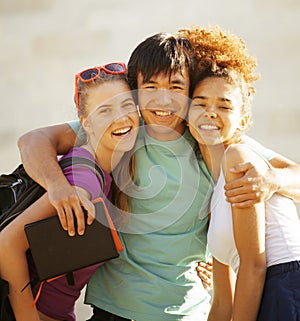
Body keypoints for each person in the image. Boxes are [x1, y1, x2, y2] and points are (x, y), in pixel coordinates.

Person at [17, 32, 300, 321]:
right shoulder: (122, 128)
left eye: (176, 87)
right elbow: (34, 140)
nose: (163, 100)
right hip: (112, 310)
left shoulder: (210, 138)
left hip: (186, 312)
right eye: (150, 87)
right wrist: (56, 186)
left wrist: (272, 181)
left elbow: (295, 174)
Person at [0, 62, 140, 321]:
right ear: (85, 123)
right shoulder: (85, 173)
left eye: (126, 105)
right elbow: (7, 244)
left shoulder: (112, 169)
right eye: (105, 110)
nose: (120, 117)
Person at [186, 25, 300, 321]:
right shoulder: (212, 193)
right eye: (200, 104)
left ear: (243, 120)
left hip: (287, 286)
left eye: (224, 106)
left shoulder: (239, 156)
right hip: (263, 294)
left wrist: (272, 180)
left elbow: (254, 266)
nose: (211, 112)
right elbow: (223, 303)